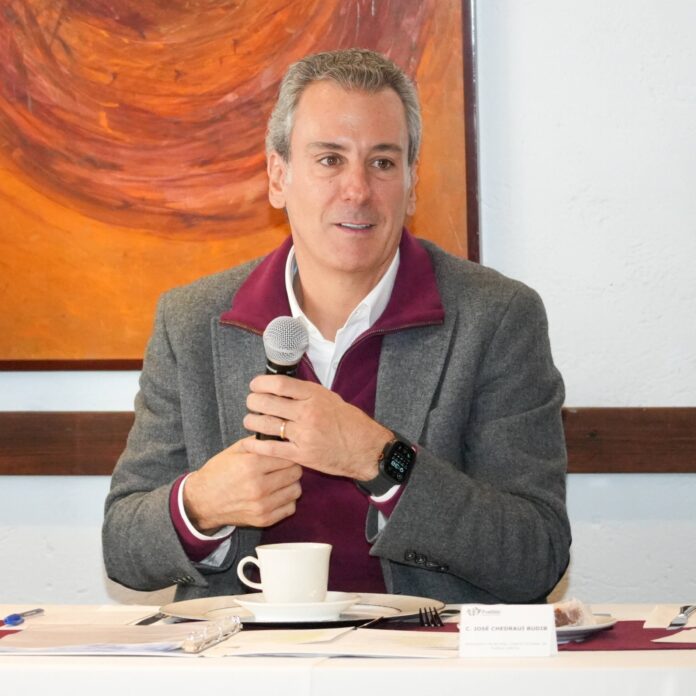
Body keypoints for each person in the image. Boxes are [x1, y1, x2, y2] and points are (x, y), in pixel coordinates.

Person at [103, 48, 571, 604]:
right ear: (279, 176)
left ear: (412, 183)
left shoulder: (496, 317)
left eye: (383, 163)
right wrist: (200, 504)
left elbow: (536, 556)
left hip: (423, 651)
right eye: (329, 159)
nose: (357, 190)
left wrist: (380, 459)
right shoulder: (192, 321)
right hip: (250, 654)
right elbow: (123, 548)